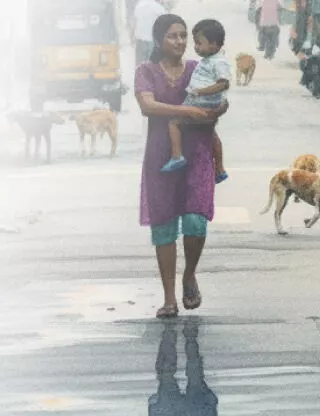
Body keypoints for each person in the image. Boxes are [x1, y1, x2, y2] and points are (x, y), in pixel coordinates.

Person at [134, 14, 228, 318]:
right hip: (162, 155)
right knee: (163, 227)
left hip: (199, 151)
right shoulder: (145, 71)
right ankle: (169, 298)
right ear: (159, 39)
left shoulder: (197, 68)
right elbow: (147, 106)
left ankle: (190, 275)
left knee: (195, 221)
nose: (181, 42)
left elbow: (221, 98)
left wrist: (217, 109)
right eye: (173, 36)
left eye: (184, 36)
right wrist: (187, 109)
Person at [162, 19, 230, 184]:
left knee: (174, 122)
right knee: (211, 133)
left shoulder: (219, 62)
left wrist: (201, 92)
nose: (196, 47)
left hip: (200, 103)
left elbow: (224, 83)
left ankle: (177, 155)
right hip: (207, 104)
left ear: (214, 44)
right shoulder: (208, 61)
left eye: (199, 43)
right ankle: (220, 169)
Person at [133, 0, 167, 65]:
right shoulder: (159, 8)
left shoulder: (139, 5)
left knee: (140, 67)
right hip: (153, 42)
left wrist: (132, 36)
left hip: (140, 41)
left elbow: (134, 22)